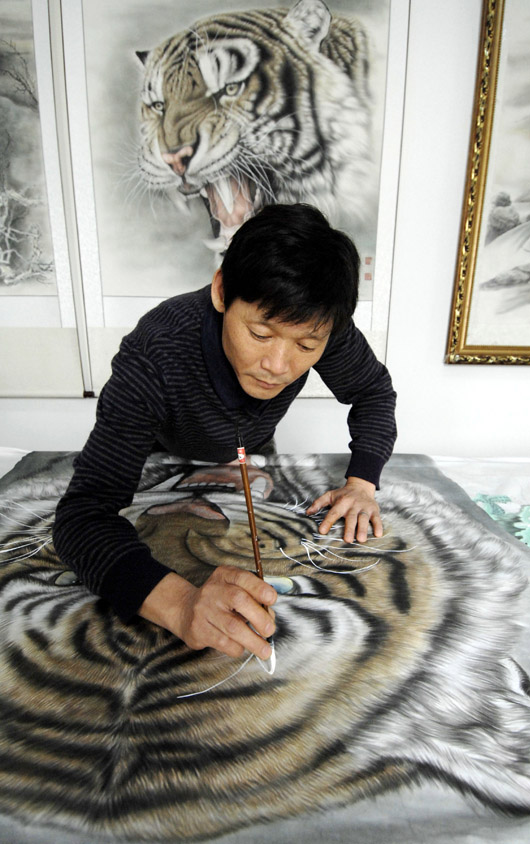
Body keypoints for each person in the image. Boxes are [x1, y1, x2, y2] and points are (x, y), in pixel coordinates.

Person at [53, 204, 397, 664]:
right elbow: (81, 516)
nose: (278, 366)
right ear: (221, 291)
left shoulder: (320, 321)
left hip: (249, 457)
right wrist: (181, 605)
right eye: (260, 334)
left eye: (305, 346)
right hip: (158, 458)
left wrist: (362, 483)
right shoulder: (154, 353)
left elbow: (373, 391)